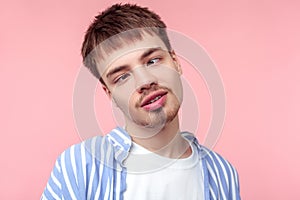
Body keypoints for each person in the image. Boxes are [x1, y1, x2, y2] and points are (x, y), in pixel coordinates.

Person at [42, 3, 240, 200]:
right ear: (109, 93)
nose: (145, 81)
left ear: (176, 62)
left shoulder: (223, 174)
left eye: (152, 61)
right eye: (122, 77)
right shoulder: (80, 166)